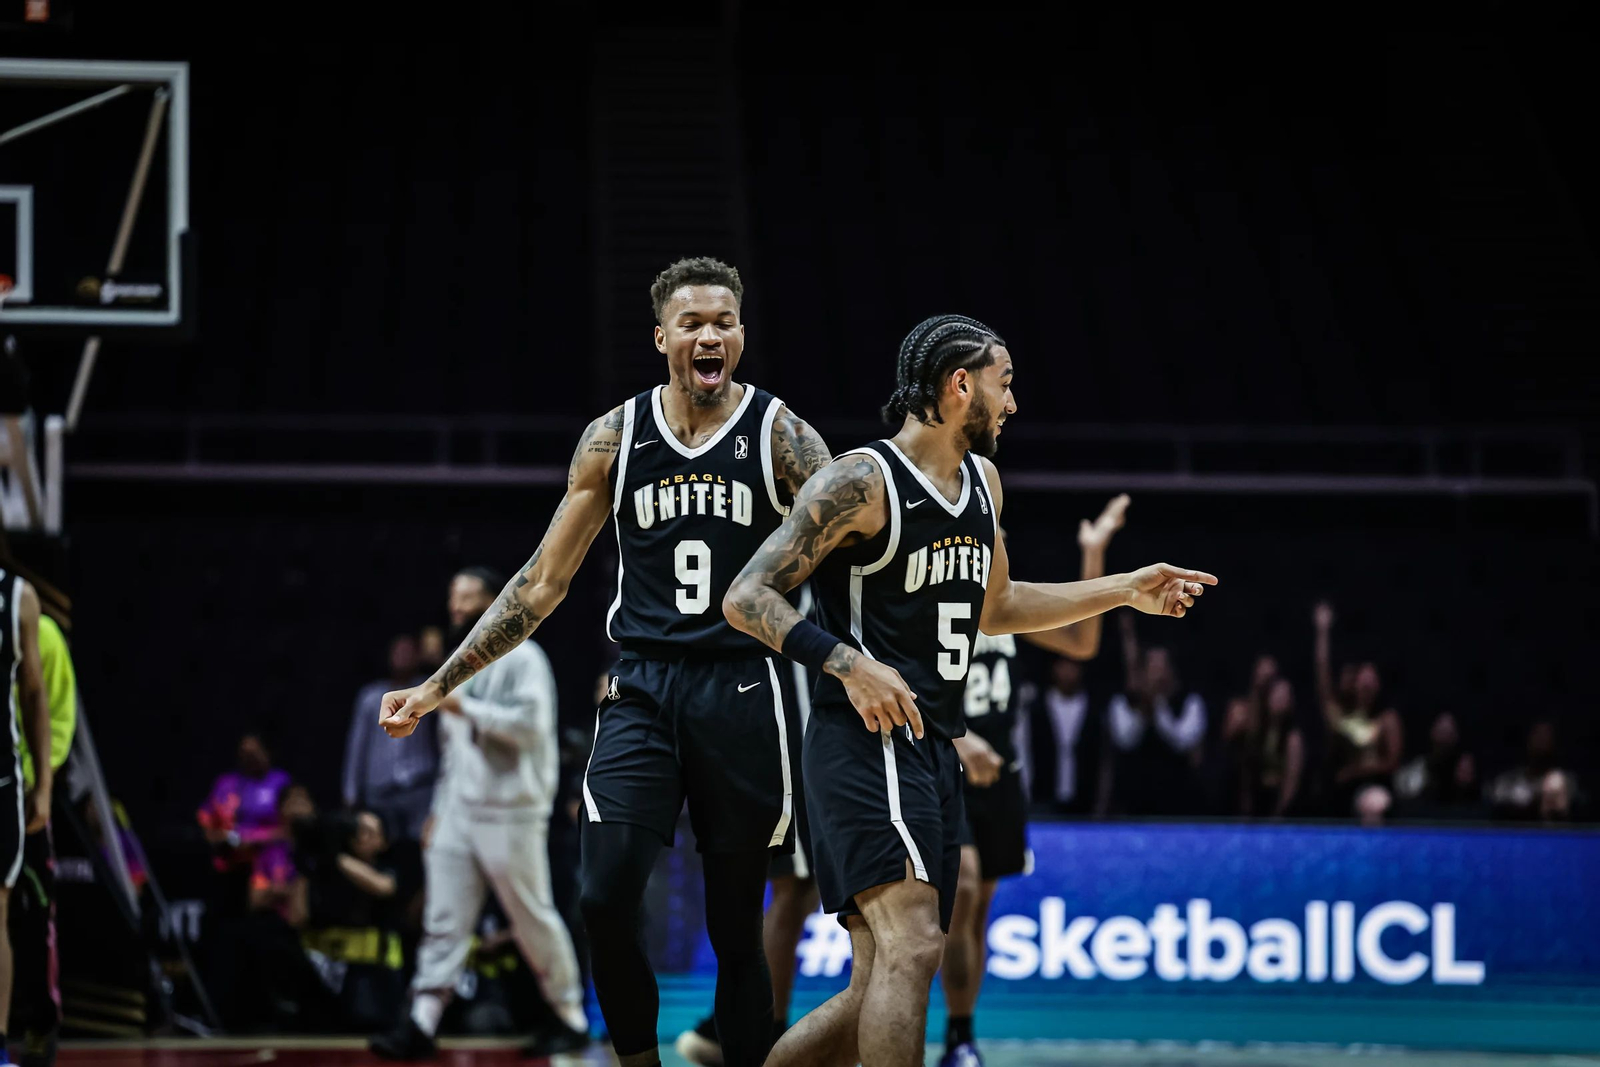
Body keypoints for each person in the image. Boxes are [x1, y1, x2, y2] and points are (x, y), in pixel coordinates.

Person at [723, 314, 1215, 1067]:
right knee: (916, 945)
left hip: (930, 751)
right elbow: (747, 595)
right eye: (1004, 382)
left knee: (878, 983)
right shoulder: (861, 480)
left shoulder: (982, 483)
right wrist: (845, 662)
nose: (1012, 403)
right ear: (960, 386)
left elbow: (1001, 607)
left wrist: (1124, 589)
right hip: (862, 740)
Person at [376, 256, 832, 1067]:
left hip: (743, 686)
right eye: (691, 322)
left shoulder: (783, 435)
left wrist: (852, 672)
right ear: (662, 338)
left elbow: (849, 561)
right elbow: (541, 583)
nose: (709, 333)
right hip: (644, 686)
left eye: (723, 320)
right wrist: (439, 683)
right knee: (601, 895)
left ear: (740, 336)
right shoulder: (615, 437)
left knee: (738, 927)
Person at [938, 495, 1129, 1067]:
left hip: (1002, 776)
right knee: (963, 888)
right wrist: (956, 737)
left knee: (977, 911)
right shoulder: (934, 596)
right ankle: (943, 1032)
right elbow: (898, 679)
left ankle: (961, 1035)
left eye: (999, 530)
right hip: (943, 767)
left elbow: (1083, 644)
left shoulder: (1005, 608)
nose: (995, 538)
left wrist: (1092, 553)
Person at [370, 568, 586, 1060]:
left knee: (532, 918)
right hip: (458, 811)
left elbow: (530, 730)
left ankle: (569, 1016)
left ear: (494, 603)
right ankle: (421, 1021)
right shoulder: (453, 665)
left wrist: (462, 707)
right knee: (444, 920)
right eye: (454, 596)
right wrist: (438, 810)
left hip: (512, 810)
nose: (458, 607)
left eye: (469, 597)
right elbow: (452, 753)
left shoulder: (526, 657)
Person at [674, 586, 822, 1067]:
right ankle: (758, 1032)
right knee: (795, 885)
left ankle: (736, 1025)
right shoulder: (799, 552)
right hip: (791, 728)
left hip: (787, 720)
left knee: (801, 889)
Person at [10, 610, 75, 1067]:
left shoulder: (39, 630)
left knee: (33, 917)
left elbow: (54, 715)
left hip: (24, 795)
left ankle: (40, 1023)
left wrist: (39, 786)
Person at [0, 569, 51, 1067]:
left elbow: (35, 694)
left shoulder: (17, 597)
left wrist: (45, 786)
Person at [1098, 617, 1207, 816]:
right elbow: (1125, 739)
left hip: (1178, 802)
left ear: (1172, 670)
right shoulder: (1123, 702)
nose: (1157, 673)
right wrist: (1145, 706)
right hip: (1132, 805)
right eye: (1152, 667)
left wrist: (1158, 705)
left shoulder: (1190, 702)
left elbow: (1181, 741)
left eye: (1162, 666)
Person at [343, 635, 437, 844]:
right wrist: (351, 792)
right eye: (398, 652)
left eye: (409, 652)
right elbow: (357, 746)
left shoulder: (428, 692)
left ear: (418, 656)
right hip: (380, 789)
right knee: (384, 846)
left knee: (421, 848)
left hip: (419, 787)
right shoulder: (370, 697)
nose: (403, 657)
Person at [1312, 603, 1402, 817]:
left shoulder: (1387, 718)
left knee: (1374, 802)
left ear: (1379, 684)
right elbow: (1322, 679)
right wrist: (1322, 631)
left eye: (1372, 677)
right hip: (1344, 789)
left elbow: (1392, 762)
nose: (1367, 682)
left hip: (1376, 785)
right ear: (1355, 682)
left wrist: (1355, 771)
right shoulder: (1343, 716)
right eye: (1364, 676)